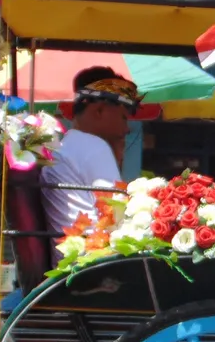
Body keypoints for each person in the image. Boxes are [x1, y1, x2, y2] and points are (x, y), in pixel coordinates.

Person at [42, 67, 158, 235]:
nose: (126, 129)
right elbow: (117, 214)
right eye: (123, 117)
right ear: (99, 110)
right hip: (95, 257)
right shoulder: (93, 146)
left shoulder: (70, 144)